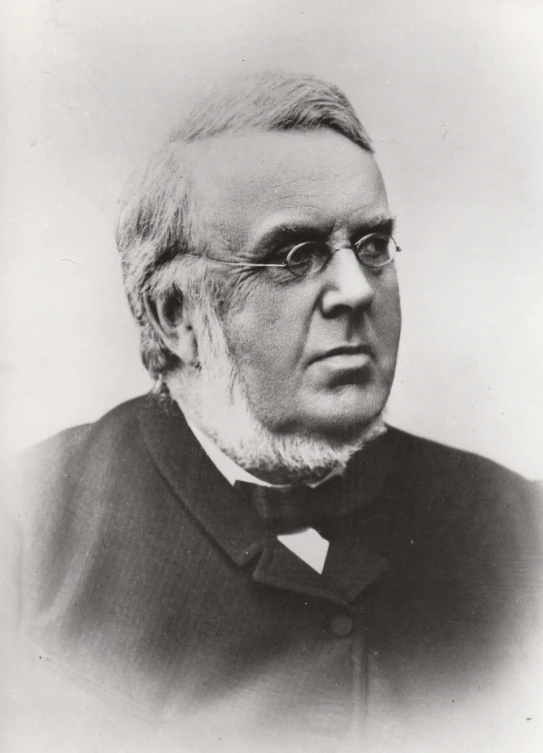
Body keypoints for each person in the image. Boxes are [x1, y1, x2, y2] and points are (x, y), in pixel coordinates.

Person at [4, 71, 542, 753]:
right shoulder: (26, 532)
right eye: (295, 256)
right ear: (176, 316)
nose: (354, 289)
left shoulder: (517, 527)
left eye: (372, 247)